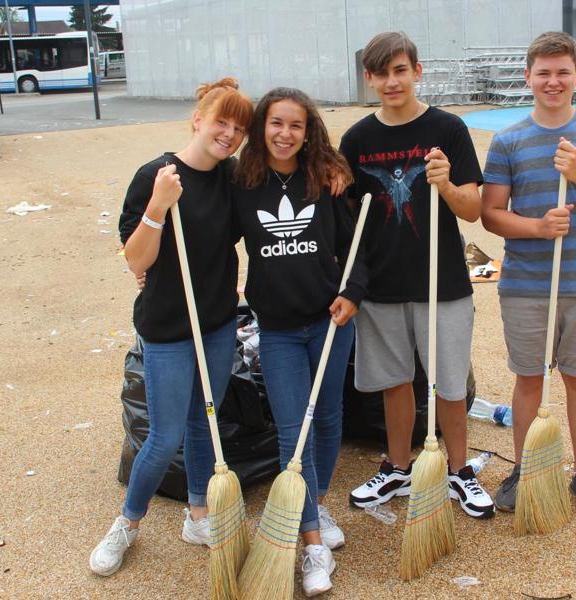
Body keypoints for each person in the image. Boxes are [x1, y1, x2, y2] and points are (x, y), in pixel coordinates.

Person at [88, 77, 253, 577]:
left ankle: (198, 515)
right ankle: (127, 524)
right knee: (162, 437)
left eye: (238, 127)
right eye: (220, 121)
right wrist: (159, 204)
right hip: (167, 327)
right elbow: (135, 258)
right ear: (197, 119)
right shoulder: (155, 175)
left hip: (218, 323)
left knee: (206, 422)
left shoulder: (232, 178)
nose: (228, 134)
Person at [340, 32, 494, 519]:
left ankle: (460, 471)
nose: (391, 82)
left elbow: (472, 210)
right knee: (394, 383)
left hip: (441, 282)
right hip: (381, 285)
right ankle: (398, 467)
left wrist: (446, 183)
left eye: (400, 70)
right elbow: (343, 216)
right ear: (369, 78)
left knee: (449, 384)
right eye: (381, 73)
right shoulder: (358, 139)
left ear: (417, 71)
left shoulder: (447, 129)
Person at [480, 31, 576, 519]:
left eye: (562, 71)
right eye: (543, 72)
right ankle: (525, 469)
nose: (553, 81)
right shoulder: (508, 141)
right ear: (528, 77)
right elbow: (492, 215)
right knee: (528, 380)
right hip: (526, 284)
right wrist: (539, 228)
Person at [232, 87, 364, 597]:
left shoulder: (325, 179)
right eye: (276, 123)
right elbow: (210, 239)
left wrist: (353, 292)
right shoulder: (241, 184)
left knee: (330, 416)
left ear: (308, 131)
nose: (285, 134)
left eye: (296, 125)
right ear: (262, 125)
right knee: (294, 432)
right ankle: (311, 543)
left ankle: (317, 499)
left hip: (330, 322)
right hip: (280, 330)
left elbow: (356, 245)